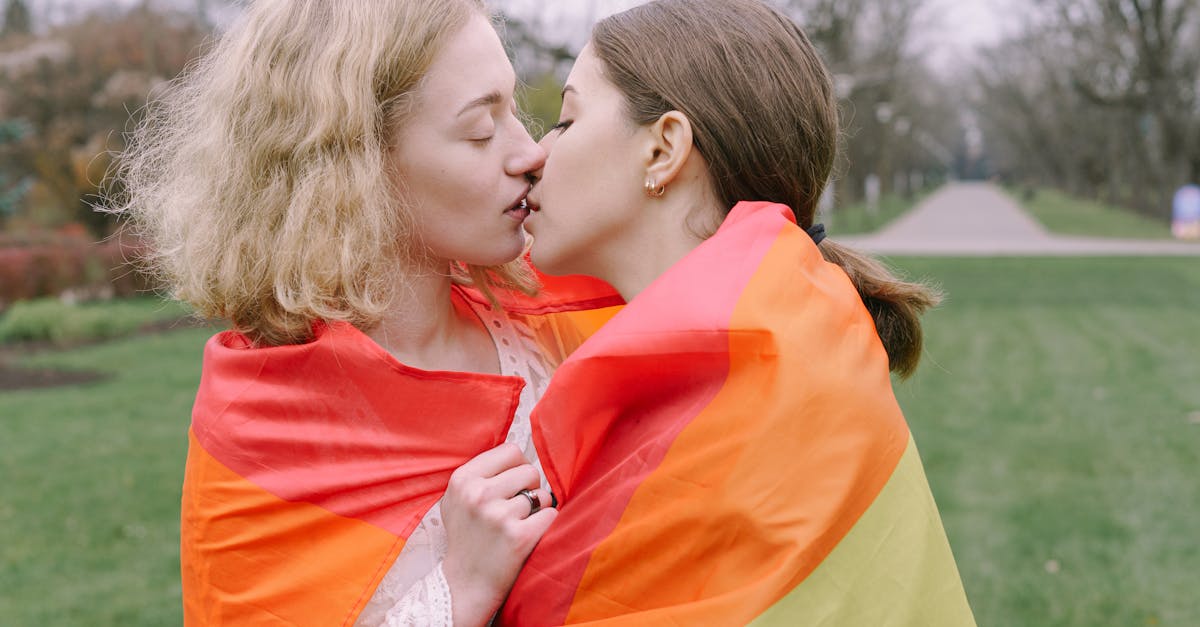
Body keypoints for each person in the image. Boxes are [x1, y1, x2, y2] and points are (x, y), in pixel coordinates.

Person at [110, 1, 619, 625]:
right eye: (482, 130)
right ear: (355, 166)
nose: (528, 152)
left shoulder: (547, 325)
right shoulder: (265, 423)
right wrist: (461, 591)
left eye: (514, 110)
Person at [500, 0, 976, 624]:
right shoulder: (803, 350)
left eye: (566, 120)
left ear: (663, 149)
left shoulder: (734, 412)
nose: (536, 153)